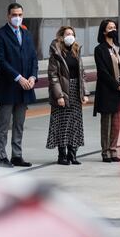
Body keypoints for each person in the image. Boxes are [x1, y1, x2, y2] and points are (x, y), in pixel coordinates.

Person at [0, 3, 38, 168]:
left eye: (20, 14)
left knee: (19, 124)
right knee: (4, 124)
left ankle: (17, 155)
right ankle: (2, 156)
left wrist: (33, 77)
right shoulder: (0, 35)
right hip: (8, 86)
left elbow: (34, 58)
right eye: (14, 14)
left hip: (25, 87)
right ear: (8, 16)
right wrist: (18, 77)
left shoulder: (26, 34)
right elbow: (1, 60)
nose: (17, 17)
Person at [46, 26, 89, 165]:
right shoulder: (56, 52)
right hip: (63, 90)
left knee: (75, 123)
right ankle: (62, 155)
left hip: (76, 90)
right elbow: (53, 76)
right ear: (61, 36)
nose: (70, 36)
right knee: (63, 123)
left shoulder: (76, 50)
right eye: (67, 34)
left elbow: (82, 74)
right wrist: (59, 96)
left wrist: (84, 93)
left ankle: (73, 153)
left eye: (72, 34)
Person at [93, 19, 120, 163]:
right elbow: (102, 71)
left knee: (117, 123)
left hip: (119, 91)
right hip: (107, 90)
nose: (113, 29)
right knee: (106, 122)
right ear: (104, 31)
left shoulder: (118, 47)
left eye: (114, 27)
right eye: (110, 27)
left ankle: (114, 150)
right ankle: (105, 151)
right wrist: (115, 85)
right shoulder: (100, 49)